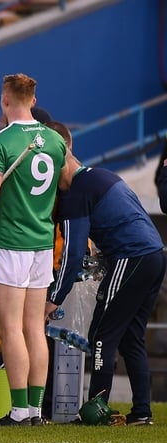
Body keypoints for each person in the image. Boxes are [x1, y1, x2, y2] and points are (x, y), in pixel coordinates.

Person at [47, 121, 164, 426]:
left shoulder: (76, 193)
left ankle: (96, 411)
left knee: (102, 333)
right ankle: (142, 412)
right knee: (131, 337)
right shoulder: (101, 176)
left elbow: (73, 253)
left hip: (132, 256)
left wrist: (54, 298)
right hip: (154, 255)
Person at [0, 73, 67, 426]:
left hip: (10, 243)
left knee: (11, 328)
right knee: (34, 327)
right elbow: (63, 182)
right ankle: (35, 410)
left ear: (4, 100)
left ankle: (18, 412)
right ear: (33, 99)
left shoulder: (0, 141)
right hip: (42, 243)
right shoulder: (54, 140)